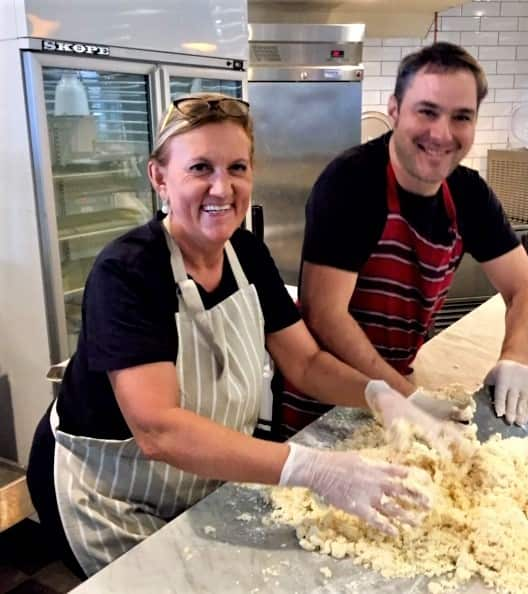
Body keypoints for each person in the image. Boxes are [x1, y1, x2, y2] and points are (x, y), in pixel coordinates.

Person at [26, 92, 468, 579]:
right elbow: (158, 429)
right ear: (159, 178)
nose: (222, 187)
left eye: (237, 167)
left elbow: (304, 363)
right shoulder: (128, 272)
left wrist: (381, 395)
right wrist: (312, 469)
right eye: (200, 168)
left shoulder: (246, 254)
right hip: (112, 494)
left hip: (195, 478)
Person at [279, 42, 528, 437]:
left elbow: (527, 289)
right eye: (427, 111)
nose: (441, 134)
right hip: (323, 406)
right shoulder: (351, 183)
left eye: (461, 117)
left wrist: (516, 360)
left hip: (399, 384)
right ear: (394, 110)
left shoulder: (468, 193)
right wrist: (407, 398)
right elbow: (325, 315)